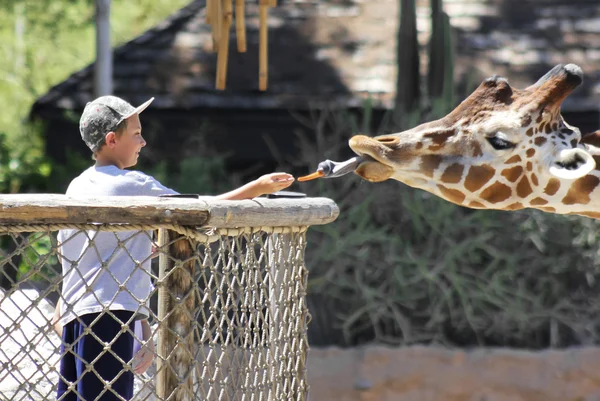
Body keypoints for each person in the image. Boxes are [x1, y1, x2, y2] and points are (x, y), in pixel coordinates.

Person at [54, 95, 294, 401]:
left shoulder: (78, 186)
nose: (143, 142)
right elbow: (199, 208)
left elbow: (71, 252)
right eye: (137, 134)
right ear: (112, 139)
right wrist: (258, 187)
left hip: (77, 316)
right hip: (110, 319)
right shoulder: (132, 184)